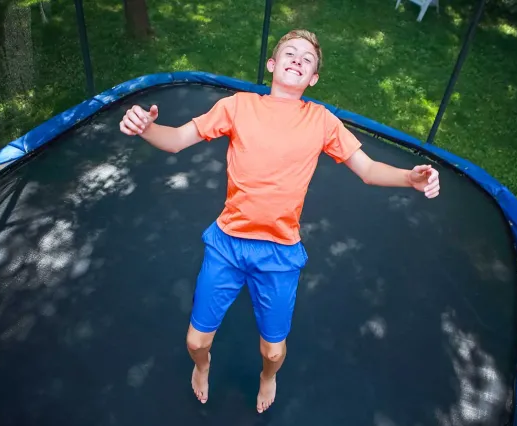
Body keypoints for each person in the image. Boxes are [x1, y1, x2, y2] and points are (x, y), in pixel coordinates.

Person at [119, 29, 440, 414]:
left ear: (313, 78)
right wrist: (146, 127)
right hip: (227, 243)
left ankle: (268, 377)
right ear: (272, 64)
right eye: (291, 53)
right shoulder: (237, 106)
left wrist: (410, 178)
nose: (298, 60)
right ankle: (202, 368)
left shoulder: (321, 120)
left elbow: (368, 170)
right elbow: (174, 140)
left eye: (308, 60)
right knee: (195, 342)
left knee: (272, 350)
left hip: (279, 252)